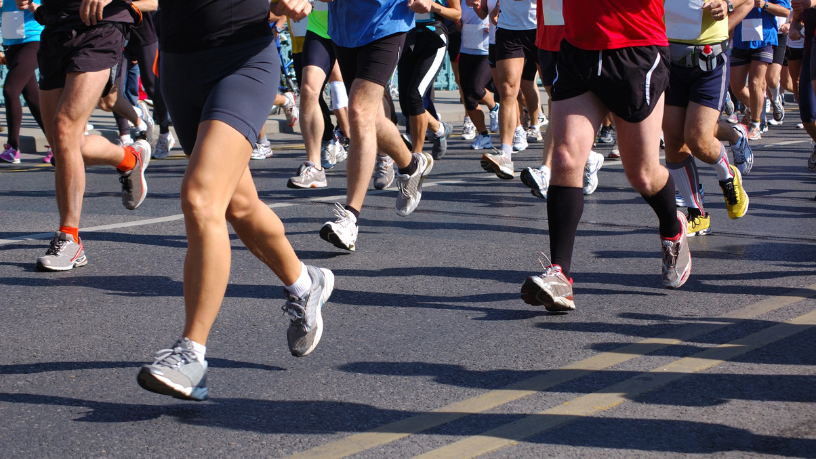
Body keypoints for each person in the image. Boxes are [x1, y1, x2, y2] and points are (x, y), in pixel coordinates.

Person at [137, 0, 334, 401]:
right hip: (178, 63)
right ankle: (303, 282)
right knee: (238, 205)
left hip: (241, 58)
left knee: (200, 197)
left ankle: (192, 354)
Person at [520, 0, 692, 312]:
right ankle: (560, 275)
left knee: (642, 174)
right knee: (564, 159)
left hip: (635, 49)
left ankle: (672, 227)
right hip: (578, 50)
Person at [18, 0, 152, 271]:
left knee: (63, 126)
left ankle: (70, 239)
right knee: (66, 144)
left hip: (100, 29)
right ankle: (128, 159)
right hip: (55, 30)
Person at [319, 0, 435, 252]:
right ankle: (413, 164)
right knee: (372, 117)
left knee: (359, 112)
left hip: (388, 22)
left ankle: (350, 219)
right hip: (345, 29)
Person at [662, 0, 751, 240]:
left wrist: (727, 4)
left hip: (708, 61)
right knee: (673, 140)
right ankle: (696, 213)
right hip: (668, 58)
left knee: (698, 139)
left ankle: (728, 175)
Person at [520, 0, 604, 199]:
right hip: (546, 39)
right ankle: (588, 157)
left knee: (561, 104)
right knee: (554, 101)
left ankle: (546, 171)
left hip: (574, 39)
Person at [478, 0, 541, 180]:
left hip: (540, 26)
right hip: (509, 28)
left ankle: (574, 153)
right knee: (506, 89)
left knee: (556, 92)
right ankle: (505, 154)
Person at [397, 0, 460, 159]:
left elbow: (456, 13)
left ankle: (416, 159)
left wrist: (433, 6)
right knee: (406, 105)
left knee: (415, 96)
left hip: (433, 38)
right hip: (407, 38)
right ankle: (440, 129)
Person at [730, 0, 791, 139]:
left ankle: (755, 124)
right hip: (740, 38)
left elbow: (786, 11)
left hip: (764, 38)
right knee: (736, 85)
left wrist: (765, 5)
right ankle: (754, 108)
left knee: (755, 83)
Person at [0, 0, 50, 164]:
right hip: (10, 41)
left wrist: (35, 5)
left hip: (32, 40)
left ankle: (13, 147)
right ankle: (57, 143)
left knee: (10, 89)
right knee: (32, 97)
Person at [457, 0, 498, 151]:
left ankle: (494, 108)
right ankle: (484, 136)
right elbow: (460, 22)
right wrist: (458, 23)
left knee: (476, 88)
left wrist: (493, 26)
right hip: (467, 49)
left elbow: (500, 15)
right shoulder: (462, 1)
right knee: (468, 98)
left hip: (485, 50)